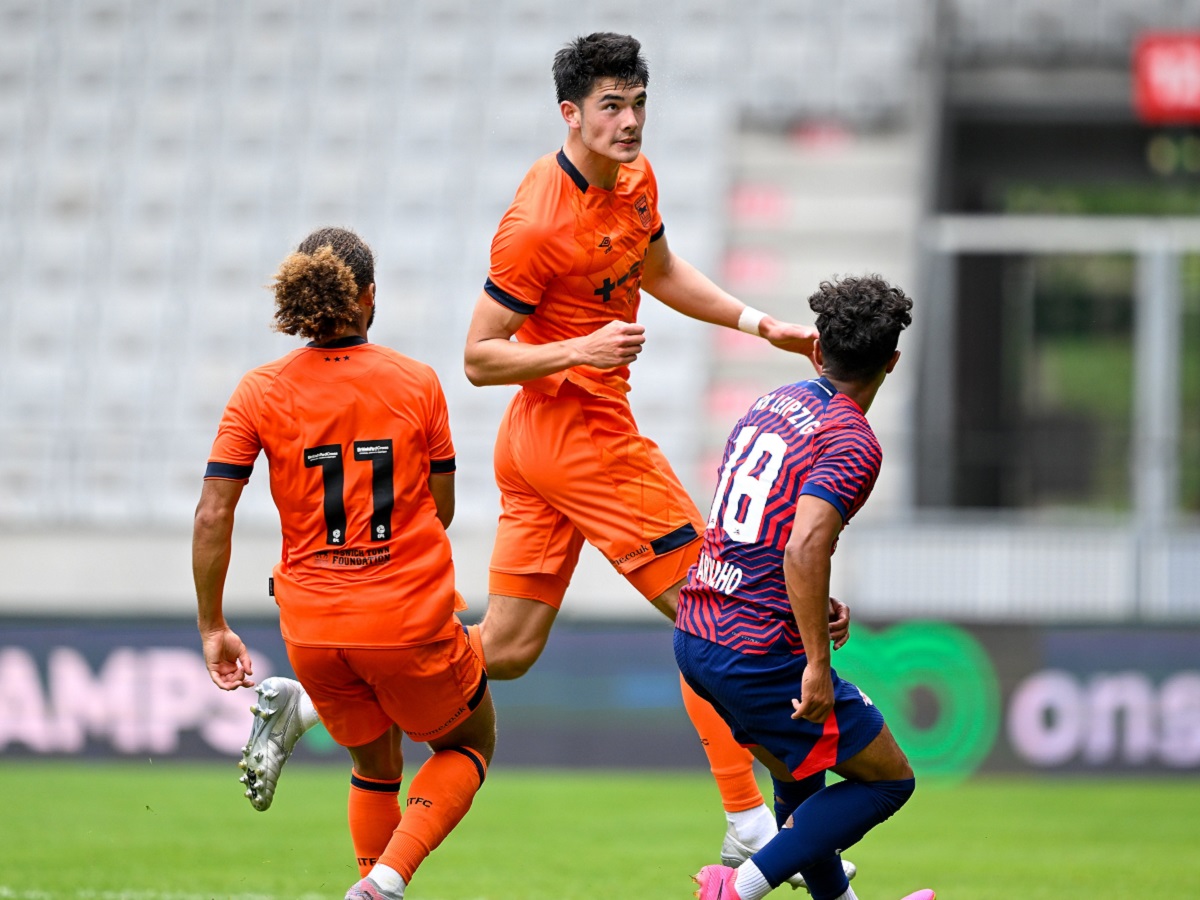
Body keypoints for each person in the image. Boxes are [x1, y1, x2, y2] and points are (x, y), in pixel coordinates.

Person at [237, 34, 852, 887]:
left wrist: (758, 324)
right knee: (716, 614)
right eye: (612, 105)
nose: (630, 121)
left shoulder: (636, 181)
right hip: (580, 436)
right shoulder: (535, 222)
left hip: (543, 447)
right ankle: (748, 821)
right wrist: (581, 350)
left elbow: (661, 268)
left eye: (638, 102)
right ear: (571, 113)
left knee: (513, 646)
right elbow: (481, 356)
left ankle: (305, 703)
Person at [193, 227, 495, 900]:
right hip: (404, 614)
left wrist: (213, 626)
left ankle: (370, 880)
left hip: (311, 626)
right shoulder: (417, 383)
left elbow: (214, 512)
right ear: (368, 298)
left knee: (376, 764)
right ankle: (384, 882)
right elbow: (439, 508)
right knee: (469, 744)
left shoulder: (258, 390)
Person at [675, 275, 932, 900]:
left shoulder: (775, 401)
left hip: (698, 629)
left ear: (818, 348)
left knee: (800, 775)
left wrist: (817, 604)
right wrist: (817, 660)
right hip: (756, 648)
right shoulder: (851, 439)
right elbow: (804, 544)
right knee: (889, 780)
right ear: (892, 363)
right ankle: (737, 890)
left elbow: (761, 532)